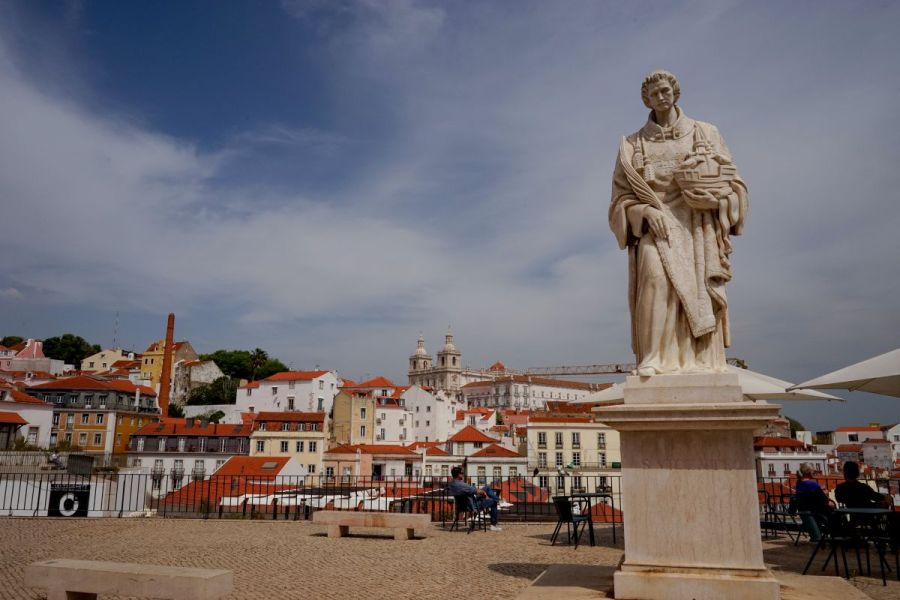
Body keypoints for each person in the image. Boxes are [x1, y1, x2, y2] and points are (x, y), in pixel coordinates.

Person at [609, 70, 748, 375]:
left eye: (666, 90)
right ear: (646, 100)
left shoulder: (706, 133)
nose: (662, 96)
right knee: (654, 281)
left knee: (699, 290)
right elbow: (619, 201)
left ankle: (701, 362)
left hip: (697, 227)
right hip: (654, 227)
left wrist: (715, 202)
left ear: (675, 93)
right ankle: (655, 357)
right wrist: (644, 213)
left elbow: (735, 185)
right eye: (655, 93)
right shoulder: (632, 146)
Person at [446, 466, 502, 531]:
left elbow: (473, 490)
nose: (463, 474)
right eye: (462, 473)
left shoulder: (452, 484)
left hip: (463, 505)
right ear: (458, 474)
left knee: (487, 488)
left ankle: (497, 500)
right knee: (493, 501)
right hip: (472, 505)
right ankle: (493, 524)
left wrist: (484, 493)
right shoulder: (462, 485)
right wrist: (484, 494)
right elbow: (477, 492)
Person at [790, 464, 833, 542]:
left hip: (804, 511)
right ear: (808, 472)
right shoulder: (812, 484)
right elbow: (823, 499)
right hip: (814, 512)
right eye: (813, 470)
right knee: (833, 512)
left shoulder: (799, 483)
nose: (815, 472)